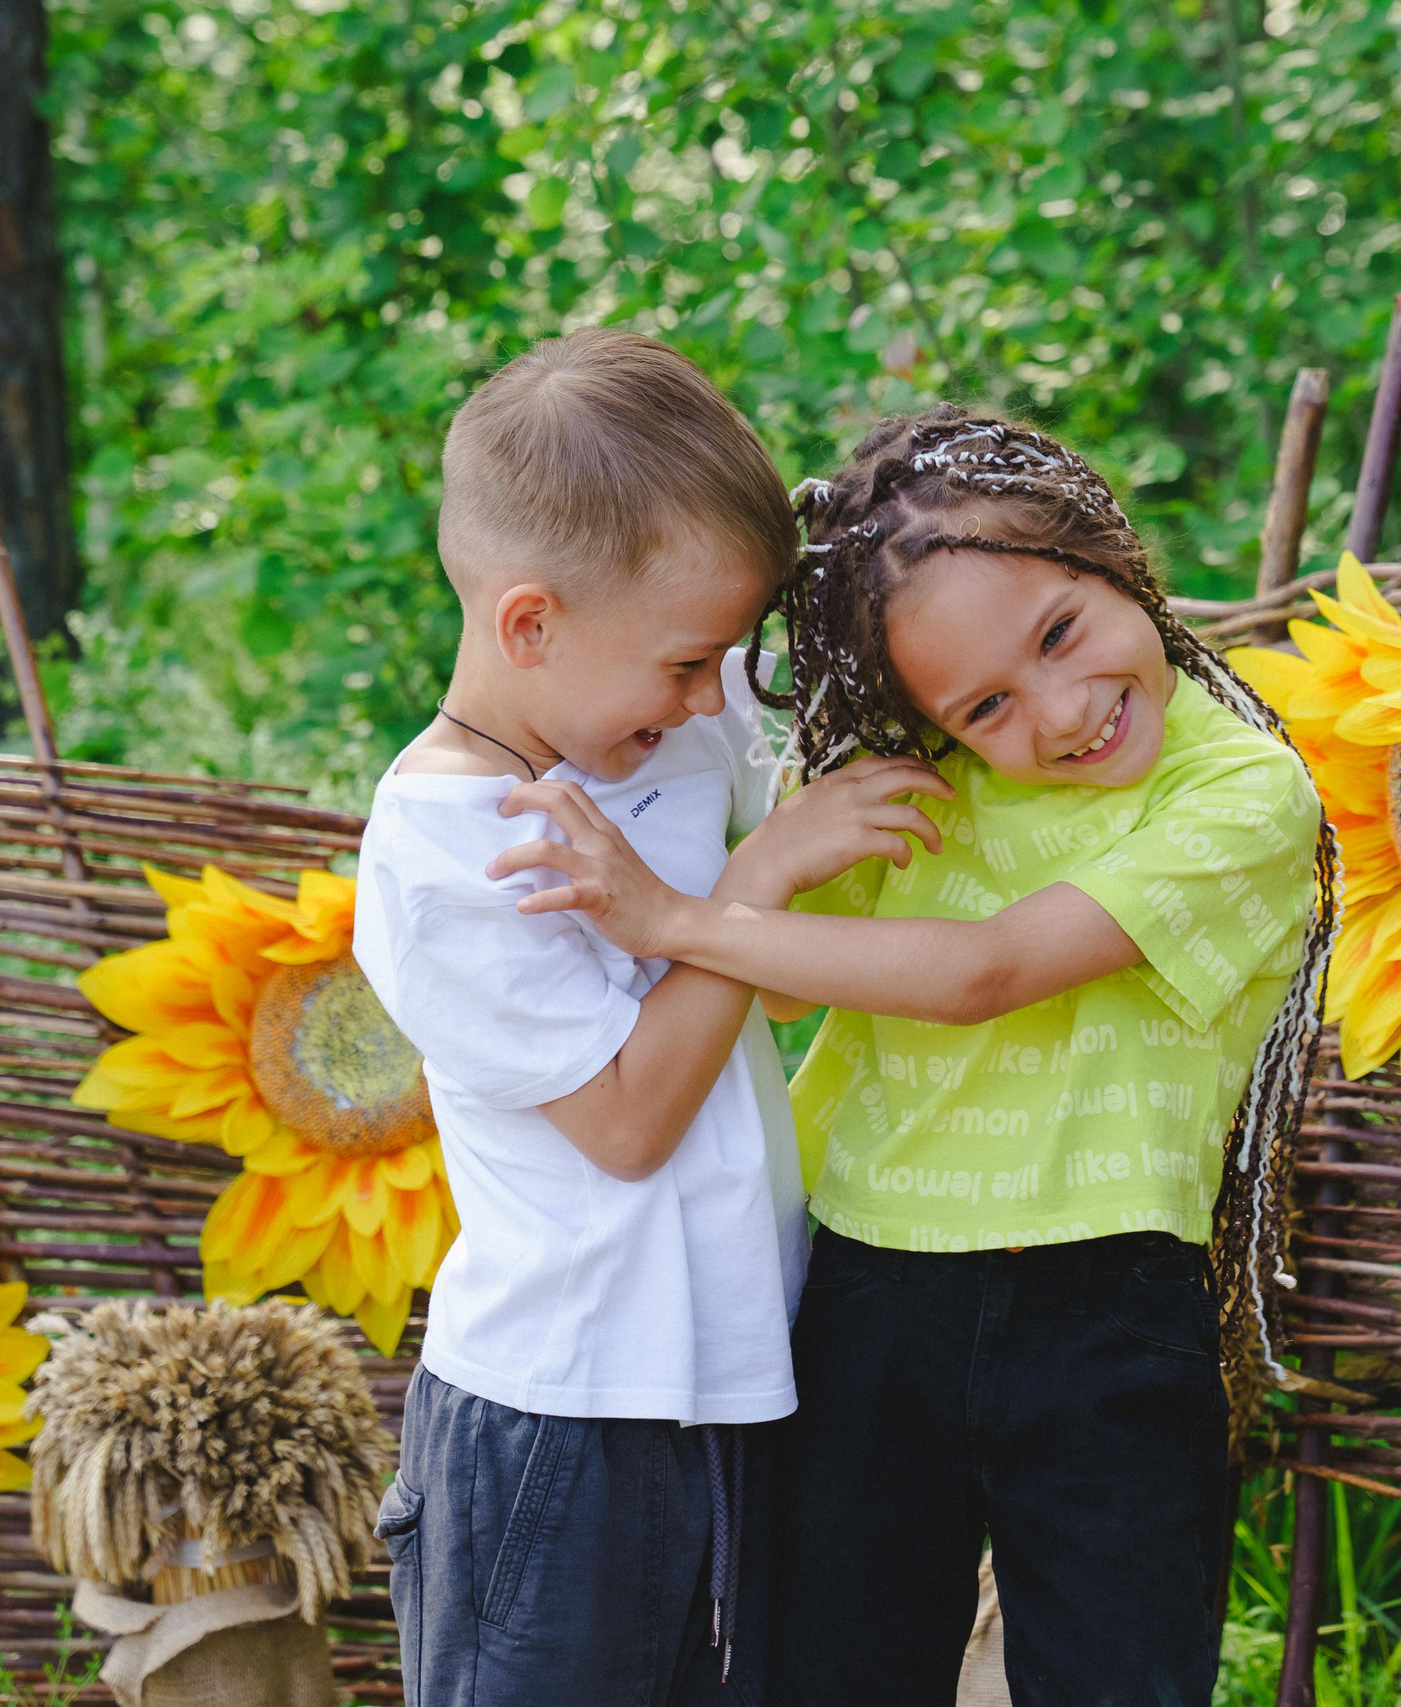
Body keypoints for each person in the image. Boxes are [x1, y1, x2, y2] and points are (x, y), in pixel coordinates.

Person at [491, 405, 1339, 1706]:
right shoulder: (907, 781)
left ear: (1112, 555)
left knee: (1118, 1681)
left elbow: (983, 972)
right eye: (984, 703)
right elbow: (768, 994)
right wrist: (764, 854)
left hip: (1110, 1307)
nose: (1057, 714)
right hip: (865, 1294)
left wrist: (678, 916)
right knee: (829, 1674)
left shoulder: (1241, 794)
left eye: (1060, 631)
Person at [353, 329, 929, 1707]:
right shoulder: (445, 857)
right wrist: (758, 875)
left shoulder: (665, 732)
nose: (709, 696)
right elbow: (624, 1121)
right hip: (559, 1417)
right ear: (530, 625)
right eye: (683, 665)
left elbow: (764, 985)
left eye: (721, 659)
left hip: (732, 1376)